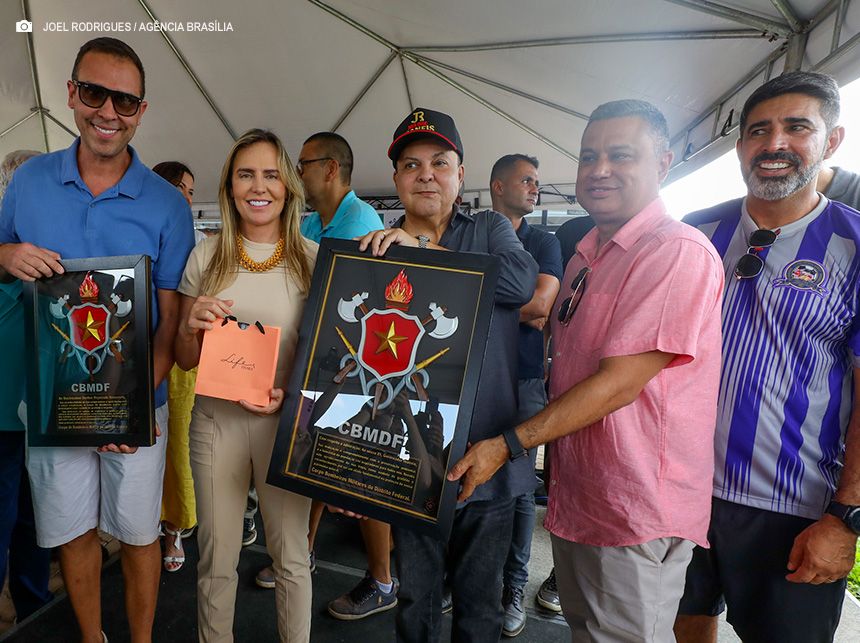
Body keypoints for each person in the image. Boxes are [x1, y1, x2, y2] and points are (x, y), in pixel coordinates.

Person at [449, 99, 724, 642]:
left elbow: (619, 383)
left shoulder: (674, 252)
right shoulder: (586, 253)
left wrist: (507, 442)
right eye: (588, 156)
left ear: (663, 163)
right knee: (587, 632)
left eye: (620, 156)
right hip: (584, 493)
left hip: (635, 508)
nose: (599, 170)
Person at [0, 37, 194, 643]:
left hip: (137, 409)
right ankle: (91, 637)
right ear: (71, 94)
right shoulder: (28, 181)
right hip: (53, 400)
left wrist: (129, 409)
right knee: (70, 530)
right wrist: (5, 251)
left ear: (142, 110)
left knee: (138, 534)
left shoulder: (168, 205)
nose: (108, 111)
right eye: (94, 93)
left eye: (125, 101)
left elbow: (167, 322)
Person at [675, 71, 860, 643]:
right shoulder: (694, 233)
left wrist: (846, 517)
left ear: (831, 141)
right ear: (740, 147)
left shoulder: (854, 246)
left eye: (796, 127)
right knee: (683, 621)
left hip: (794, 505)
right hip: (680, 489)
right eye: (759, 131)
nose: (774, 143)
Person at [357, 107, 538, 642]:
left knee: (479, 611)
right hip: (408, 459)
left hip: (486, 459)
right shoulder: (376, 249)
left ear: (461, 174)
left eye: (440, 161)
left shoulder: (488, 228)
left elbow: (521, 284)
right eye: (411, 165)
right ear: (396, 181)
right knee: (414, 604)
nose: (426, 174)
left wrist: (426, 253)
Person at [174, 128, 317, 643]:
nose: (259, 186)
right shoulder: (205, 257)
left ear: (289, 186)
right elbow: (185, 360)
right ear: (230, 186)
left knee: (292, 558)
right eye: (246, 174)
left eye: (271, 174)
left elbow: (324, 361)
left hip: (286, 428)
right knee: (216, 559)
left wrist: (294, 395)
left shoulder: (314, 259)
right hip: (216, 426)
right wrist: (191, 324)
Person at [489, 153, 562, 636]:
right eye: (527, 180)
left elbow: (540, 306)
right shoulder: (473, 232)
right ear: (497, 186)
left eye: (538, 182)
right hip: (473, 376)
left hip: (524, 379)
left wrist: (475, 302)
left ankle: (513, 585)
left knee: (517, 490)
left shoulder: (544, 241)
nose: (536, 188)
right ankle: (470, 577)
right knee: (462, 480)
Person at [0, 149, 54, 625]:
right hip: (3, 411)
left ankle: (34, 608)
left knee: (36, 516)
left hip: (42, 411)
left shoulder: (51, 250)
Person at [152, 161, 198, 573]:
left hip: (183, 363)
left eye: (190, 189)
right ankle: (146, 525)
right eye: (182, 188)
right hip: (140, 353)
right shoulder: (147, 227)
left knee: (178, 447)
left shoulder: (199, 244)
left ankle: (174, 529)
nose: (187, 196)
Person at [298, 131, 383, 242]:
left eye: (303, 165)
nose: (298, 175)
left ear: (330, 169)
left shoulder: (357, 224)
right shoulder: (311, 222)